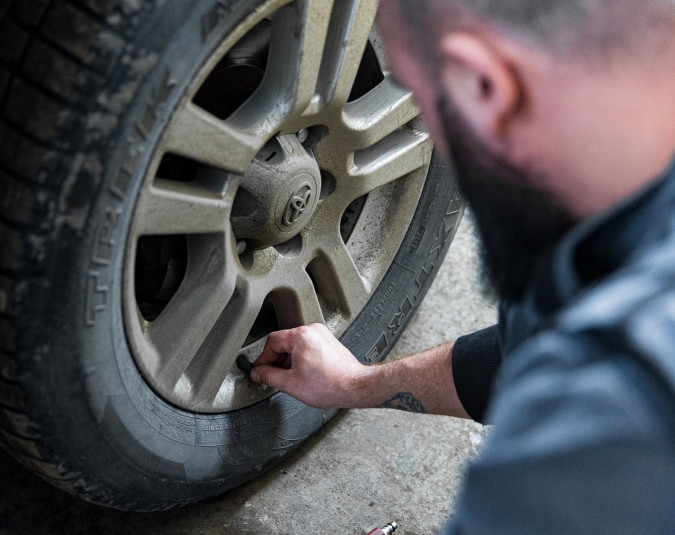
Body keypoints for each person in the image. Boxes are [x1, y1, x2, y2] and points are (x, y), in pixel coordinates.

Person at [249, 0, 675, 532]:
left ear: (483, 87)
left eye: (423, 100)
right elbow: (525, 346)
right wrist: (357, 384)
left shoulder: (611, 416)